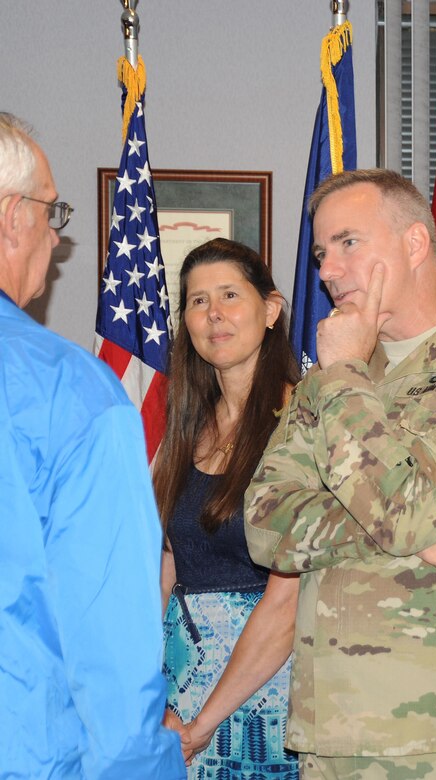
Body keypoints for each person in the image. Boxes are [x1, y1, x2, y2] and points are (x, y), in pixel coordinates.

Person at [244, 168, 436, 779]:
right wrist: (411, 529)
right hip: (331, 728)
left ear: (415, 244)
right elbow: (263, 526)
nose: (327, 271)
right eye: (321, 252)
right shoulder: (329, 377)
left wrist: (343, 376)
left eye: (348, 243)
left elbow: (404, 512)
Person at [0, 113, 186, 779]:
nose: (55, 238)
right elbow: (107, 642)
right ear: (12, 217)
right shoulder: (68, 390)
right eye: (53, 213)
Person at [153, 237, 301, 779]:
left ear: (270, 309)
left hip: (266, 698)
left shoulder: (305, 423)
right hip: (176, 696)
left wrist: (203, 723)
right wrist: (152, 695)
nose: (213, 313)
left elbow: (288, 602)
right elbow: (165, 567)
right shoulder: (185, 427)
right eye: (197, 300)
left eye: (230, 295)